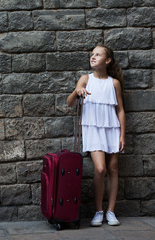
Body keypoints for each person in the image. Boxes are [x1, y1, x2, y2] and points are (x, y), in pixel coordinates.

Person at [67, 44, 126, 227]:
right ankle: (99, 211)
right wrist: (77, 92)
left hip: (111, 127)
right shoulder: (85, 79)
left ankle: (111, 212)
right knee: (100, 169)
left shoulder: (113, 83)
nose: (93, 57)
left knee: (113, 169)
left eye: (98, 55)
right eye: (92, 54)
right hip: (93, 128)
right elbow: (69, 103)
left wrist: (123, 135)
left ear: (107, 61)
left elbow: (121, 110)